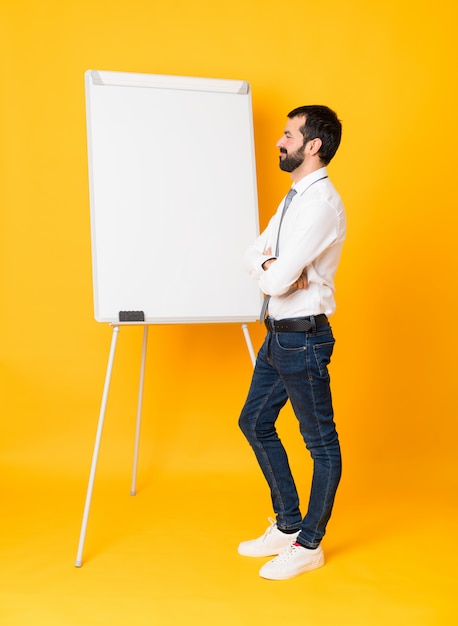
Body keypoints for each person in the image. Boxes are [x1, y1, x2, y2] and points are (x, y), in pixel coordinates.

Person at [238, 105, 346, 580]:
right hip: (277, 336)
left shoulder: (321, 205)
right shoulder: (293, 198)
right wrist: (274, 270)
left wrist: (276, 272)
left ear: (312, 145)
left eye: (288, 135)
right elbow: (253, 255)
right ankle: (286, 525)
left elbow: (276, 278)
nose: (280, 142)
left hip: (304, 339)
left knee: (320, 444)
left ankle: (308, 543)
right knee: (254, 422)